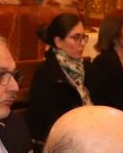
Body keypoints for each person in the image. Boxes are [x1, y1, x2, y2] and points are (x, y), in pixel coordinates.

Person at [25, 12, 92, 141]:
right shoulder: (47, 74)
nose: (82, 43)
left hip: (85, 134)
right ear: (59, 41)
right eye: (76, 37)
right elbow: (50, 122)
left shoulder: (87, 69)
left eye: (84, 37)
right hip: (59, 142)